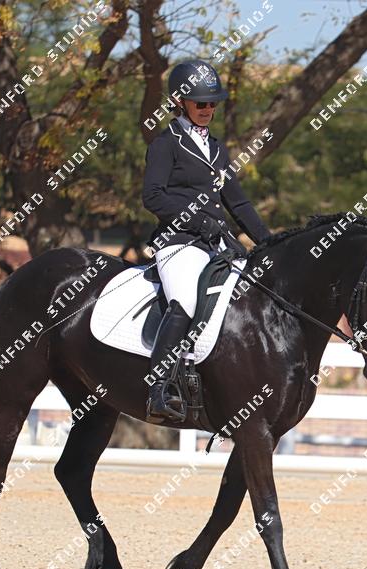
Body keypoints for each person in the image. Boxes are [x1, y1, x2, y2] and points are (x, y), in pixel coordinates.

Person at [142, 59, 271, 423]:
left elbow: (238, 204)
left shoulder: (216, 148)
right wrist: (197, 221)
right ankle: (158, 388)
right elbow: (153, 196)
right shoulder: (165, 144)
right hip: (179, 243)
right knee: (184, 300)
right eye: (201, 103)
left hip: (217, 245)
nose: (208, 109)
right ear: (180, 101)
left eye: (213, 103)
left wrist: (269, 242)